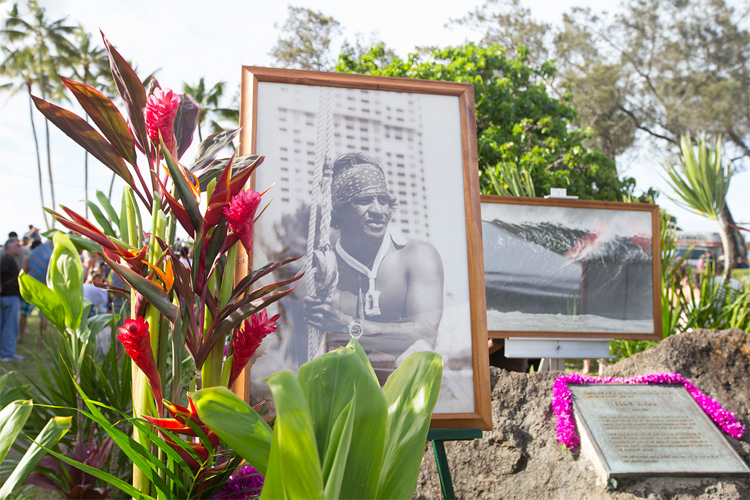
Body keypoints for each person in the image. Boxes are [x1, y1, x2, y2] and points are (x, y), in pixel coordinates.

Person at [304, 153, 444, 381]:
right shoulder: (322, 270)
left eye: (383, 200)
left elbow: (425, 332)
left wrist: (347, 324)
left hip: (403, 403)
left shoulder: (417, 256)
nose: (379, 210)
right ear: (337, 211)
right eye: (363, 200)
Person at [25, 239, 54, 344]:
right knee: (44, 315)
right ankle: (41, 339)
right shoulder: (51, 254)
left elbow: (24, 269)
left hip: (32, 286)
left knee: (24, 313)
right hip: (45, 287)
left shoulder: (33, 253)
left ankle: (21, 335)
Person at [0, 239, 25, 361]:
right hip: (9, 297)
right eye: (17, 245)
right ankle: (7, 353)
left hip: (7, 296)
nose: (20, 247)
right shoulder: (7, 260)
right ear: (9, 247)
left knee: (5, 325)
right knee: (10, 326)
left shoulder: (9, 259)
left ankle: (4, 352)